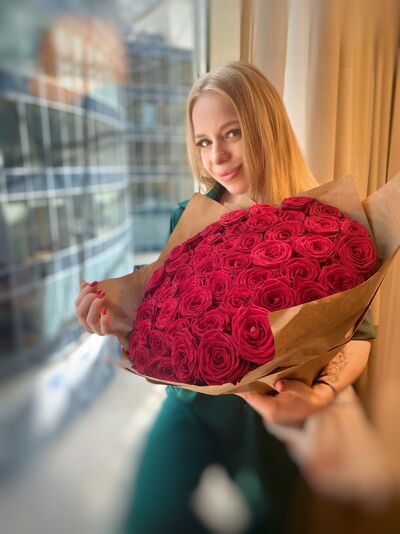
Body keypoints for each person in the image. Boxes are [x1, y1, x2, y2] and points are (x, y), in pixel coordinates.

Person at [75, 61, 376, 533]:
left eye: (232, 133)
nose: (217, 156)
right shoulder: (188, 215)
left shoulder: (324, 223)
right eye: (203, 141)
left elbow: (359, 333)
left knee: (265, 522)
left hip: (269, 420)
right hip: (190, 403)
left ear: (265, 126)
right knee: (149, 519)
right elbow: (165, 311)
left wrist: (320, 396)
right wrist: (116, 317)